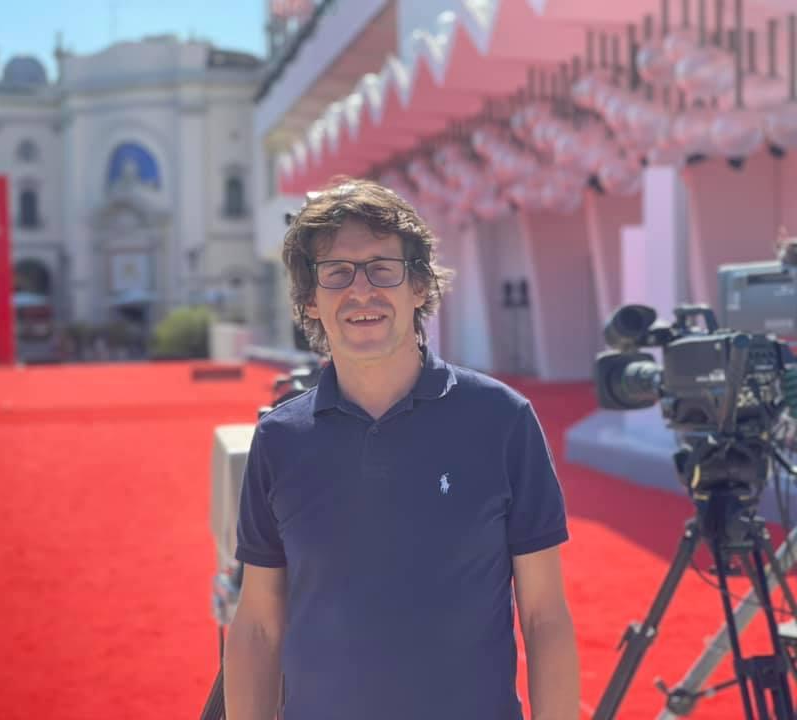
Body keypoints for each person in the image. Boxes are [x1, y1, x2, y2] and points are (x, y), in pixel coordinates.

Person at [223, 178, 579, 720]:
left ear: (418, 287)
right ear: (311, 303)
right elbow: (257, 624)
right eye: (336, 273)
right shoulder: (279, 440)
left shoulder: (503, 420)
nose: (360, 291)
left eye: (382, 269)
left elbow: (544, 616)